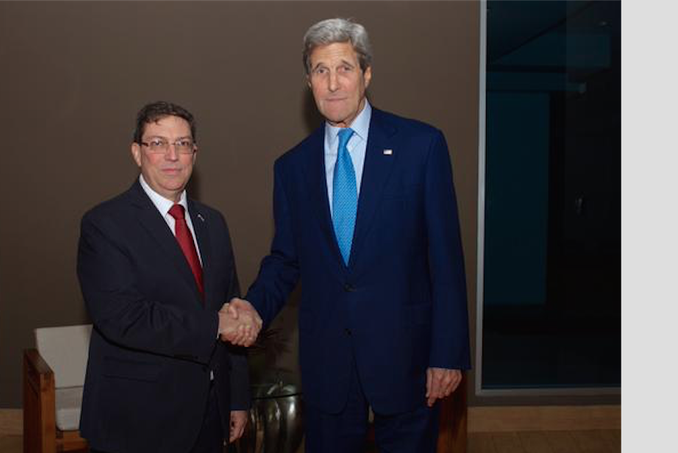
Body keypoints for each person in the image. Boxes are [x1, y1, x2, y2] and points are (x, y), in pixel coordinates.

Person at [227, 18, 471, 452]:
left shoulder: (421, 146)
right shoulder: (291, 168)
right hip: (328, 364)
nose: (333, 83)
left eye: (344, 68)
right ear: (309, 82)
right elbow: (286, 259)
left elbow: (445, 259)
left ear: (367, 74)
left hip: (407, 358)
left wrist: (447, 353)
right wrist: (252, 307)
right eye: (321, 71)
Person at [77, 101, 259, 453]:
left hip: (210, 413)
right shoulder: (105, 224)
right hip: (138, 417)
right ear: (136, 152)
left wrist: (237, 398)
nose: (172, 155)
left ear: (195, 152)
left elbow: (229, 306)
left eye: (182, 144)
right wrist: (214, 326)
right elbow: (122, 318)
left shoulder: (214, 223)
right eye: (158, 143)